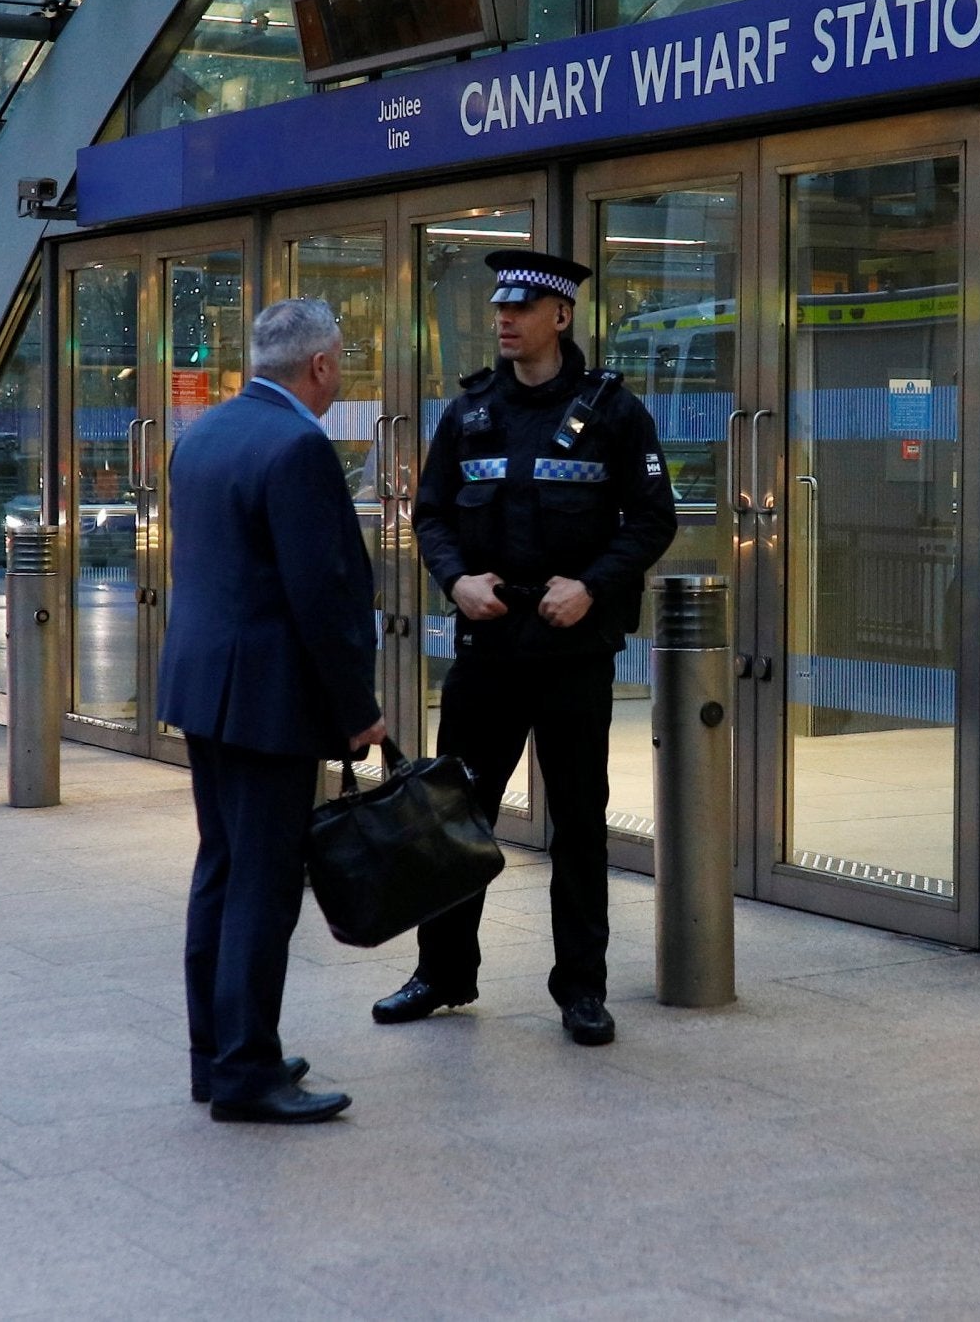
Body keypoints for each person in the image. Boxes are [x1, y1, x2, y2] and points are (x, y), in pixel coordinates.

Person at [375, 250, 675, 1047]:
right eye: (499, 309)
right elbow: (431, 514)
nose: (503, 320)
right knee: (453, 819)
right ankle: (442, 973)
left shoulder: (613, 412)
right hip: (487, 653)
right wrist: (454, 578)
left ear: (561, 317)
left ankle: (581, 988)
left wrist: (591, 586)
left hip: (572, 653)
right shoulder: (469, 411)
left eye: (521, 309)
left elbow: (651, 521)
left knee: (577, 824)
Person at [158, 298, 385, 1124]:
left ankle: (215, 1054)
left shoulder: (206, 433)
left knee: (220, 870)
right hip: (268, 698)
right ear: (321, 367)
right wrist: (358, 708)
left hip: (205, 691)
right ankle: (248, 1071)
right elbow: (319, 596)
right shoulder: (298, 447)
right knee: (261, 882)